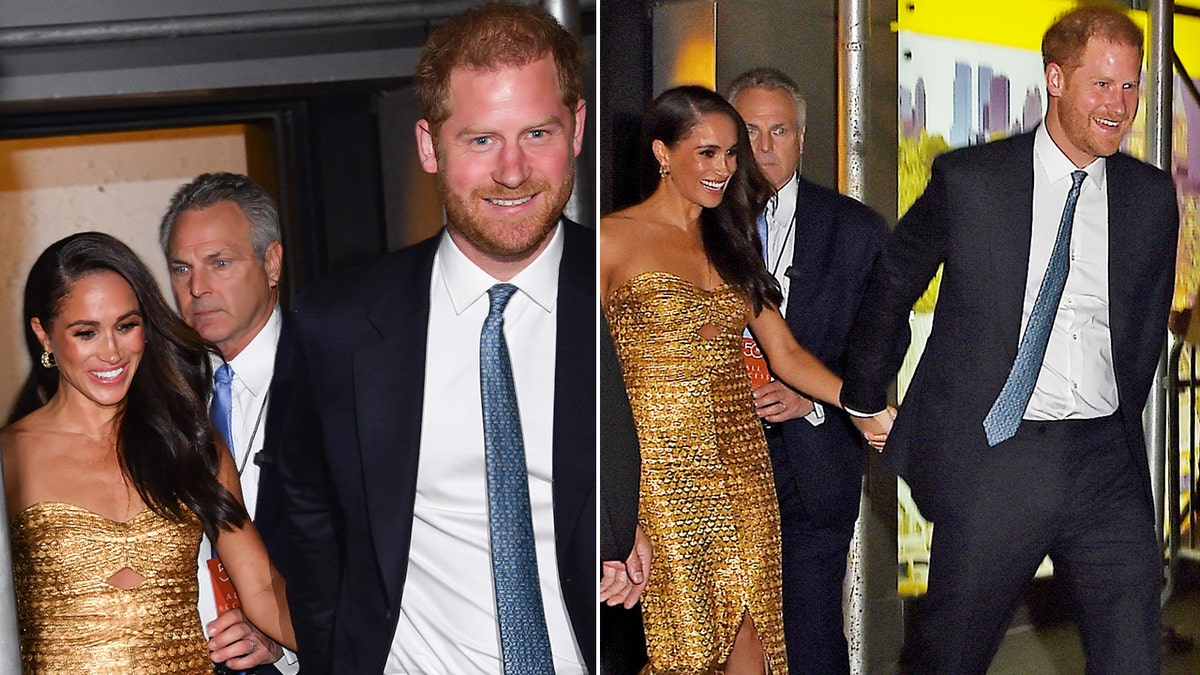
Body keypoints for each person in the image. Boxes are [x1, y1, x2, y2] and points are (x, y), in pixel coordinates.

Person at [841, 5, 1179, 673]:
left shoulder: (1150, 196)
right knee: (948, 657)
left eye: (1131, 86)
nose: (1121, 105)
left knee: (1135, 656)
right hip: (998, 457)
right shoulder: (973, 181)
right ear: (1055, 78)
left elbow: (1142, 323)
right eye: (1102, 85)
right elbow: (892, 277)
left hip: (1106, 465)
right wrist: (863, 393)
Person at [277, 3, 594, 673]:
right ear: (429, 146)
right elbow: (304, 508)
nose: (512, 170)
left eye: (537, 133)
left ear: (578, 129)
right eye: (481, 140)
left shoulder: (633, 303)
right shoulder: (335, 325)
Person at [601, 84, 892, 675]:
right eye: (708, 153)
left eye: (730, 154)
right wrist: (614, 510)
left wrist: (864, 407)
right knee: (686, 651)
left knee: (753, 645)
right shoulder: (611, 240)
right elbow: (587, 383)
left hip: (743, 468)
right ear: (663, 153)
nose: (727, 167)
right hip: (664, 478)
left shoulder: (729, 239)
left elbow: (783, 352)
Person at [1, 231, 295, 673]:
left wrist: (375, 650)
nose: (112, 352)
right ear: (44, 334)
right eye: (86, 333)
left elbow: (263, 589)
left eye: (127, 325)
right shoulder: (10, 457)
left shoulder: (190, 442)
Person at [727, 67, 893, 674]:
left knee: (810, 624)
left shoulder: (855, 229)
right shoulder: (697, 224)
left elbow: (882, 344)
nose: (765, 147)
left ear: (802, 138)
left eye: (780, 131)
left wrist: (814, 400)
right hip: (710, 463)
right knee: (722, 632)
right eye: (750, 131)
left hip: (814, 457)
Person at [161, 172, 298, 674]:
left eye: (219, 263)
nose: (197, 288)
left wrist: (284, 639)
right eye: (181, 269)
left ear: (272, 262)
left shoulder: (332, 375)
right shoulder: (158, 391)